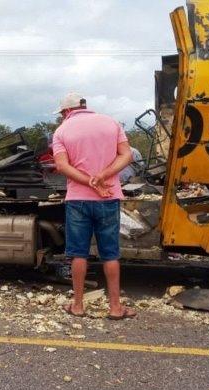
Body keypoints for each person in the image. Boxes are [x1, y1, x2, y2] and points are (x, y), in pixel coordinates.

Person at [51, 93, 136, 320]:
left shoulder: (61, 132)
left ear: (66, 112)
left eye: (61, 114)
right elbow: (126, 155)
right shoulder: (111, 123)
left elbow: (61, 166)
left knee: (79, 254)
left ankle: (78, 305)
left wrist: (89, 182)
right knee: (110, 255)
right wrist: (103, 176)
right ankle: (115, 308)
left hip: (77, 200)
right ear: (84, 106)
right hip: (109, 198)